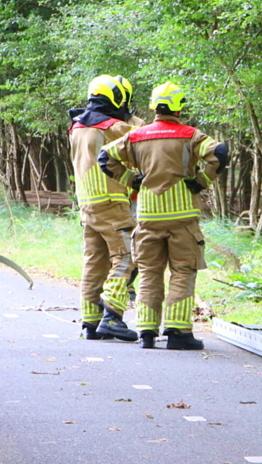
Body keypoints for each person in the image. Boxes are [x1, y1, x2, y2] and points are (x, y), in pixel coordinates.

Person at [99, 82, 228, 350]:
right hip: (183, 218)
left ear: (154, 107)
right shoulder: (191, 135)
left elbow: (105, 157)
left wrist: (131, 180)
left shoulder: (136, 136)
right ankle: (178, 333)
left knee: (148, 272)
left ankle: (146, 331)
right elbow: (220, 153)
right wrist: (201, 181)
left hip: (147, 217)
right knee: (182, 271)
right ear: (180, 107)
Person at [68, 75, 144, 341]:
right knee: (128, 257)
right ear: (119, 98)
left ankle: (90, 322)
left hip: (87, 205)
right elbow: (145, 138)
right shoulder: (113, 128)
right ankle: (112, 316)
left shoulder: (77, 126)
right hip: (112, 203)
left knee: (94, 263)